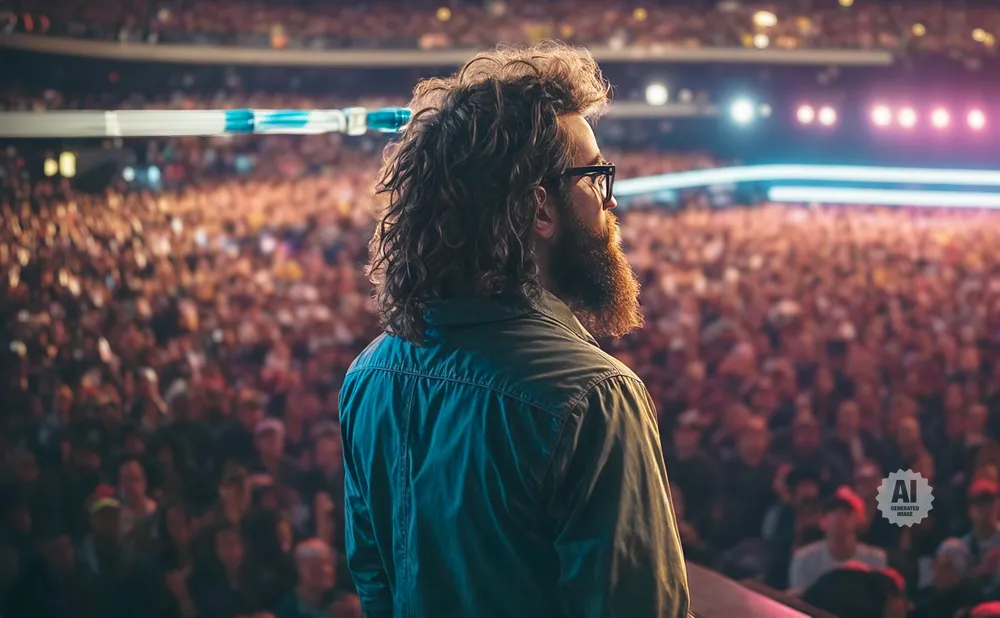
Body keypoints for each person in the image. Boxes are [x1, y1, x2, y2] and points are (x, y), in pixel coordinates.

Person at [340, 42, 689, 618]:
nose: (609, 200)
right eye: (594, 177)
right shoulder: (593, 397)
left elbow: (376, 582)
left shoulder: (369, 373)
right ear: (540, 209)